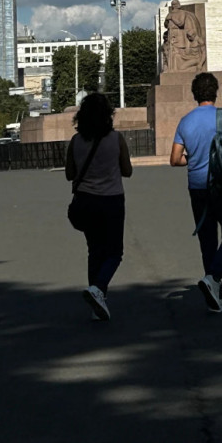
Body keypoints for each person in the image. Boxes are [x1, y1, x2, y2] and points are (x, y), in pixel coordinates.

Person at [170, 71, 222, 312]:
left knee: (207, 241)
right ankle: (213, 279)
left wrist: (192, 160)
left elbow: (174, 159)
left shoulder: (185, 121)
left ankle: (215, 294)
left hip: (197, 187)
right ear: (215, 92)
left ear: (195, 95)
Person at [65, 93, 133, 321]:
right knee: (114, 252)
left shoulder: (76, 141)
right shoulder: (116, 139)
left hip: (86, 200)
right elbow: (127, 171)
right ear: (108, 116)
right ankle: (98, 289)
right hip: (112, 200)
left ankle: (97, 302)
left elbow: (70, 174)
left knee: (94, 251)